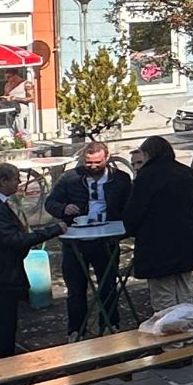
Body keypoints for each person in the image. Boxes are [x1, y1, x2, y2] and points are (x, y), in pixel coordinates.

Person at [0, 162, 66, 360]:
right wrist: (54, 230)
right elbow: (13, 240)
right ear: (3, 181)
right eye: (16, 180)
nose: (19, 184)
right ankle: (2, 368)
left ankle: (3, 364)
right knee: (2, 327)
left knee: (1, 326)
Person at [45, 141, 133, 336]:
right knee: (76, 289)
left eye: (97, 162)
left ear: (107, 158)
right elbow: (50, 202)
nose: (93, 166)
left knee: (108, 285)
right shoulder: (70, 178)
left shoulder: (121, 179)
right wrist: (63, 209)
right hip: (76, 240)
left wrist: (124, 230)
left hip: (106, 239)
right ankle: (76, 330)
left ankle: (110, 325)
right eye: (89, 162)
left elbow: (130, 206)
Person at [121, 135, 193, 312]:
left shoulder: (146, 176)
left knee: (164, 297)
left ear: (148, 154)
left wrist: (127, 230)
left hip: (157, 243)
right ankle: (189, 325)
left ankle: (172, 328)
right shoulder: (186, 172)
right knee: (185, 292)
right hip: (186, 239)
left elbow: (135, 212)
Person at [0, 70, 34, 136]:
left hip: (22, 110)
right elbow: (6, 95)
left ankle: (27, 141)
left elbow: (32, 98)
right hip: (11, 109)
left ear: (15, 76)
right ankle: (15, 140)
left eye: (9, 77)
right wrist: (3, 99)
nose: (7, 79)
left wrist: (16, 98)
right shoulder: (7, 85)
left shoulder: (26, 84)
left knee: (23, 129)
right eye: (6, 78)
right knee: (11, 128)